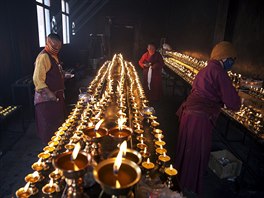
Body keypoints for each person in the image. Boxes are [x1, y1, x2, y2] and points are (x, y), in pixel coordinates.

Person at [175, 41, 242, 196]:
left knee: (187, 147)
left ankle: (180, 177)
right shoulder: (219, 72)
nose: (232, 63)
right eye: (231, 59)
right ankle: (188, 183)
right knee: (196, 150)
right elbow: (233, 103)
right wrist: (239, 100)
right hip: (199, 118)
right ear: (224, 58)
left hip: (189, 113)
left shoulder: (205, 69)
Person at [33, 33, 65, 144]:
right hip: (46, 101)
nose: (56, 49)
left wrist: (63, 75)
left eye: (58, 48)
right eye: (54, 47)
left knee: (56, 124)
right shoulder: (43, 57)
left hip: (55, 98)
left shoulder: (53, 55)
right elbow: (38, 80)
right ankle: (48, 152)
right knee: (48, 127)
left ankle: (56, 146)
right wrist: (49, 93)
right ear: (47, 42)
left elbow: (53, 72)